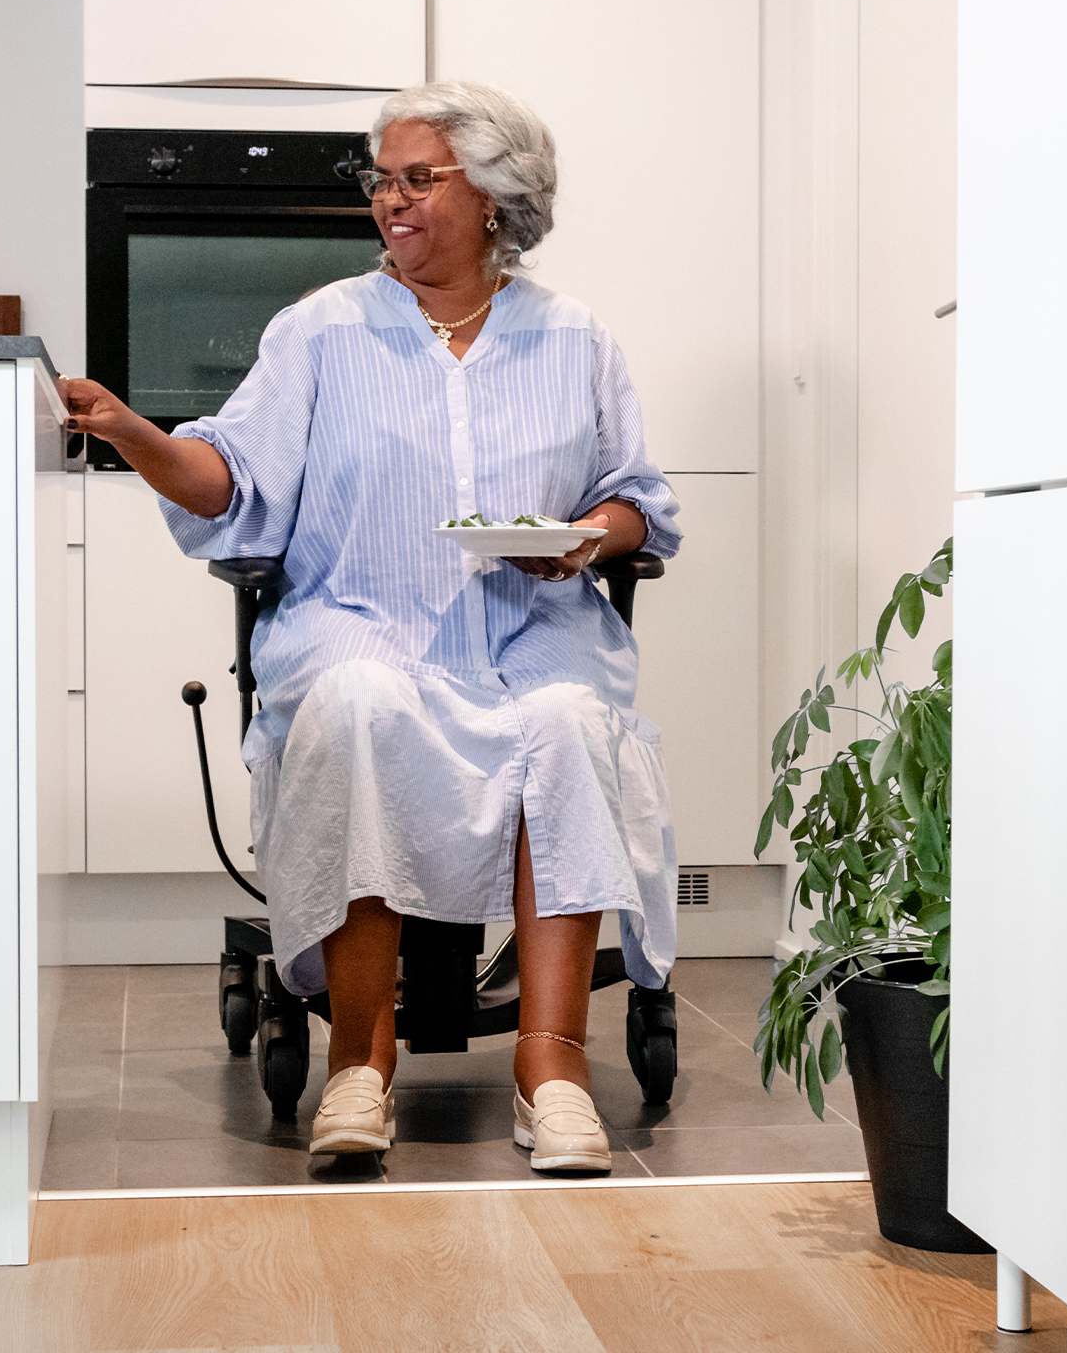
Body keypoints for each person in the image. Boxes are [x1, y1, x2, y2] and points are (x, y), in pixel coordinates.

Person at [58, 80, 681, 1173]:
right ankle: (359, 1061)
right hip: (359, 619)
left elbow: (635, 497)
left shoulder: (575, 339)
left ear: (492, 195)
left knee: (571, 718)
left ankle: (552, 1071)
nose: (388, 199)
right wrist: (127, 429)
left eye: (415, 178)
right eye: (378, 179)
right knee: (354, 701)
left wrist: (585, 534)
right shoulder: (318, 331)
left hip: (532, 624)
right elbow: (227, 482)